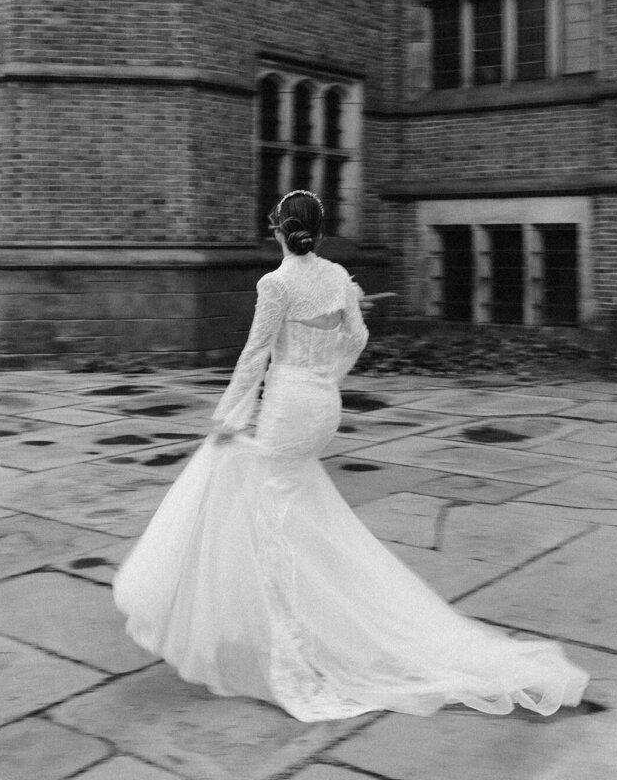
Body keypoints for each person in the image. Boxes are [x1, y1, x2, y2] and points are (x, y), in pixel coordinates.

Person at [113, 189, 589, 722]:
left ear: (278, 230)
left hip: (291, 405)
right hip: (323, 405)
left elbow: (254, 354)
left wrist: (227, 415)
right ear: (318, 231)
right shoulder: (339, 276)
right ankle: (297, 616)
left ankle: (290, 650)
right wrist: (326, 376)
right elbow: (358, 337)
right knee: (283, 508)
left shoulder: (275, 283)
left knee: (265, 517)